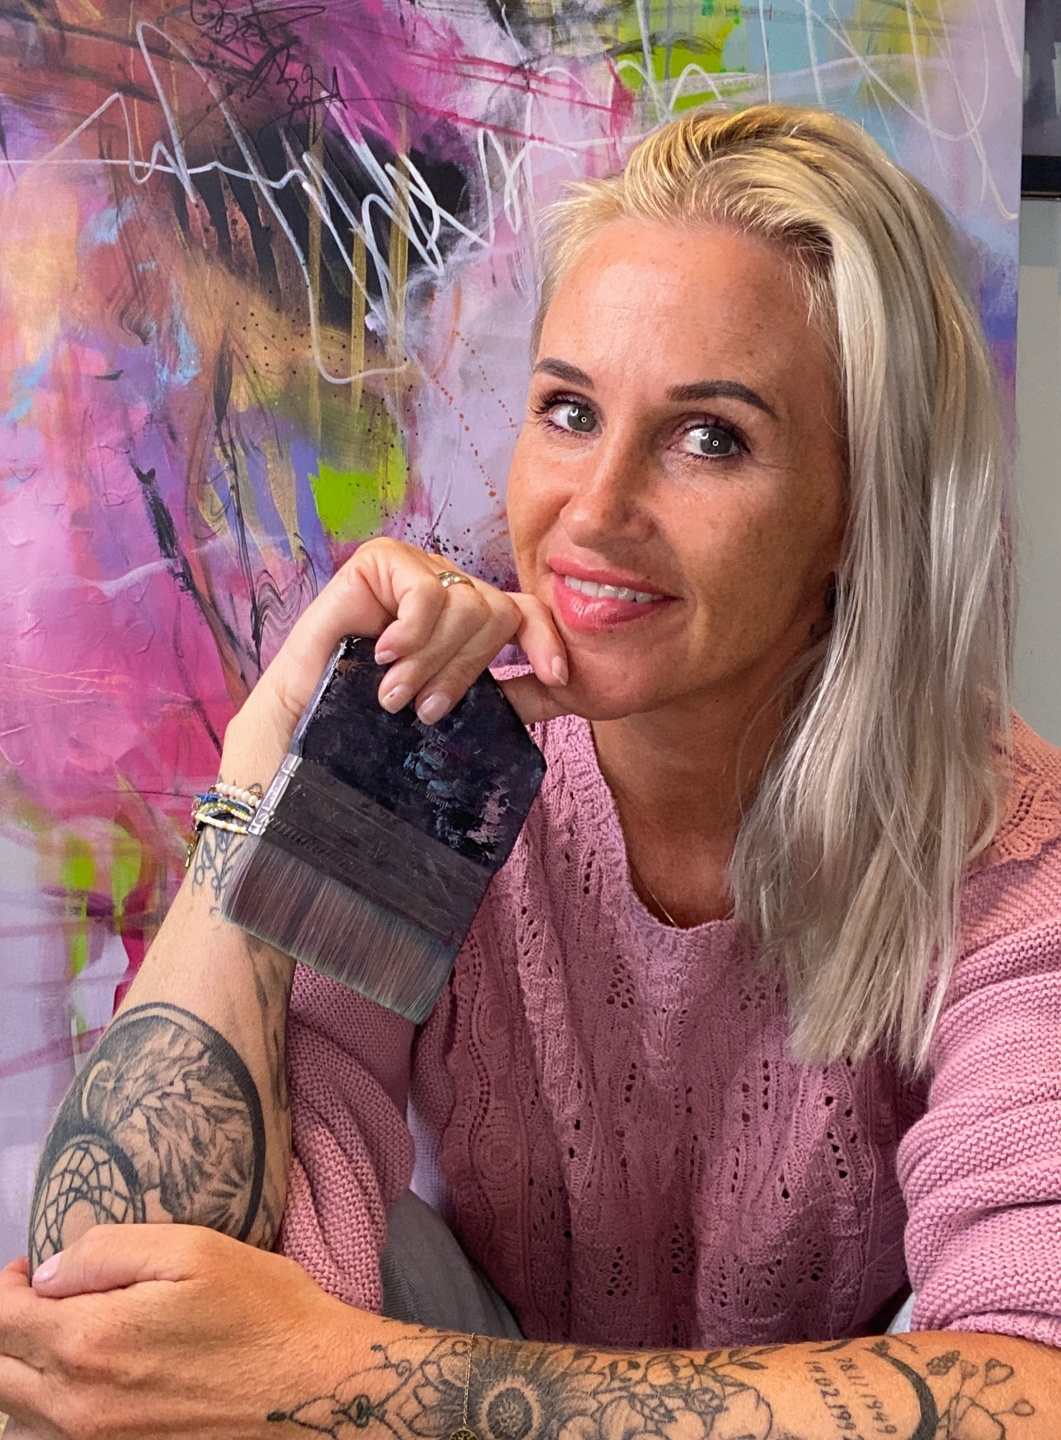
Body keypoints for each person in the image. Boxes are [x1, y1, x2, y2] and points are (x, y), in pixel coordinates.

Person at [3, 102, 1061, 1440]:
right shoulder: (443, 756)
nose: (595, 509)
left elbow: (1037, 1388)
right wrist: (268, 764)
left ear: (856, 505)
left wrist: (326, 1377)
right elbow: (109, 1319)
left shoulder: (1013, 855)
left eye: (710, 437)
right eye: (568, 412)